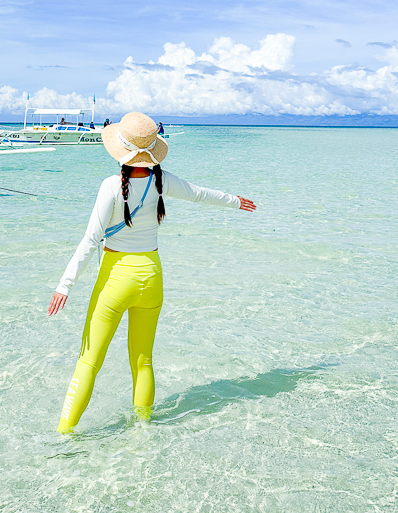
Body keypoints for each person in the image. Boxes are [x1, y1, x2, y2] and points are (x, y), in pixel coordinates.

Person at [48, 111, 256, 432]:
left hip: (115, 280)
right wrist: (235, 201)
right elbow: (198, 193)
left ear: (120, 149)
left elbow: (91, 240)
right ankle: (142, 432)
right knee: (143, 361)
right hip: (151, 279)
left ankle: (63, 436)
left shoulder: (110, 186)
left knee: (88, 363)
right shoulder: (162, 181)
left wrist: (65, 285)